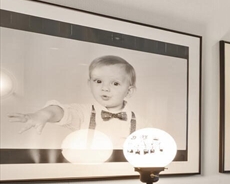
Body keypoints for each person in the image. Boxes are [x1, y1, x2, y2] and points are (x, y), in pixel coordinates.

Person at [7, 55, 139, 147]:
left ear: (129, 91)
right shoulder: (85, 113)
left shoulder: (141, 122)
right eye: (98, 81)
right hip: (91, 174)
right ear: (89, 84)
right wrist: (43, 114)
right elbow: (63, 113)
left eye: (115, 83)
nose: (105, 88)